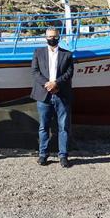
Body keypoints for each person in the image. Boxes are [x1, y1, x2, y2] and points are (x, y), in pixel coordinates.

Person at [31, 27, 74, 168]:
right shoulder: (38, 53)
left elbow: (69, 73)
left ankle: (63, 156)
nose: (52, 39)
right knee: (43, 126)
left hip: (62, 94)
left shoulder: (67, 55)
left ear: (59, 37)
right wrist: (47, 84)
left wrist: (56, 83)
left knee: (64, 127)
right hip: (44, 94)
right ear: (45, 37)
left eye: (54, 36)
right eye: (49, 36)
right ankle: (43, 154)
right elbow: (35, 72)